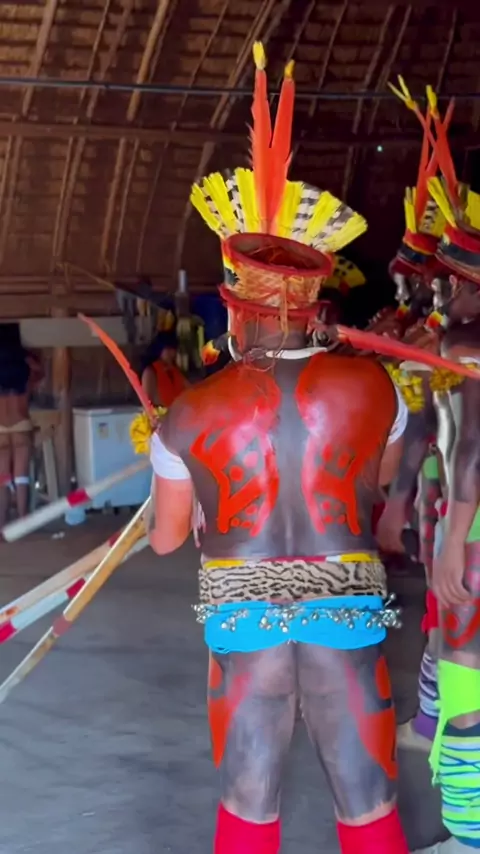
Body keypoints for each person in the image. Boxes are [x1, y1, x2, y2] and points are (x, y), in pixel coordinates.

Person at [147, 44, 421, 854]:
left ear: (236, 310)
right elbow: (378, 488)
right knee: (367, 800)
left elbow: (165, 539)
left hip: (243, 617)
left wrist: (202, 505)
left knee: (248, 800)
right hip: (346, 606)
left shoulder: (190, 411)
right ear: (313, 304)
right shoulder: (376, 387)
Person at [409, 85, 480, 853]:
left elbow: (471, 449)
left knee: (466, 678)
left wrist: (453, 539)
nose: (440, 293)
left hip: (476, 523)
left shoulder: (464, 349)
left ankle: (468, 838)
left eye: (448, 282)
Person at [0, 324, 42, 527]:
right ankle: (22, 521)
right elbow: (40, 373)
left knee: (2, 479)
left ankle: (1, 525)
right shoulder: (24, 375)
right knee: (21, 477)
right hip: (22, 425)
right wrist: (25, 356)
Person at [140, 330, 189, 408]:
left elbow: (190, 389)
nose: (172, 353)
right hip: (160, 413)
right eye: (168, 349)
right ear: (159, 349)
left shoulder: (175, 371)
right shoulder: (150, 371)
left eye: (174, 349)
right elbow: (146, 401)